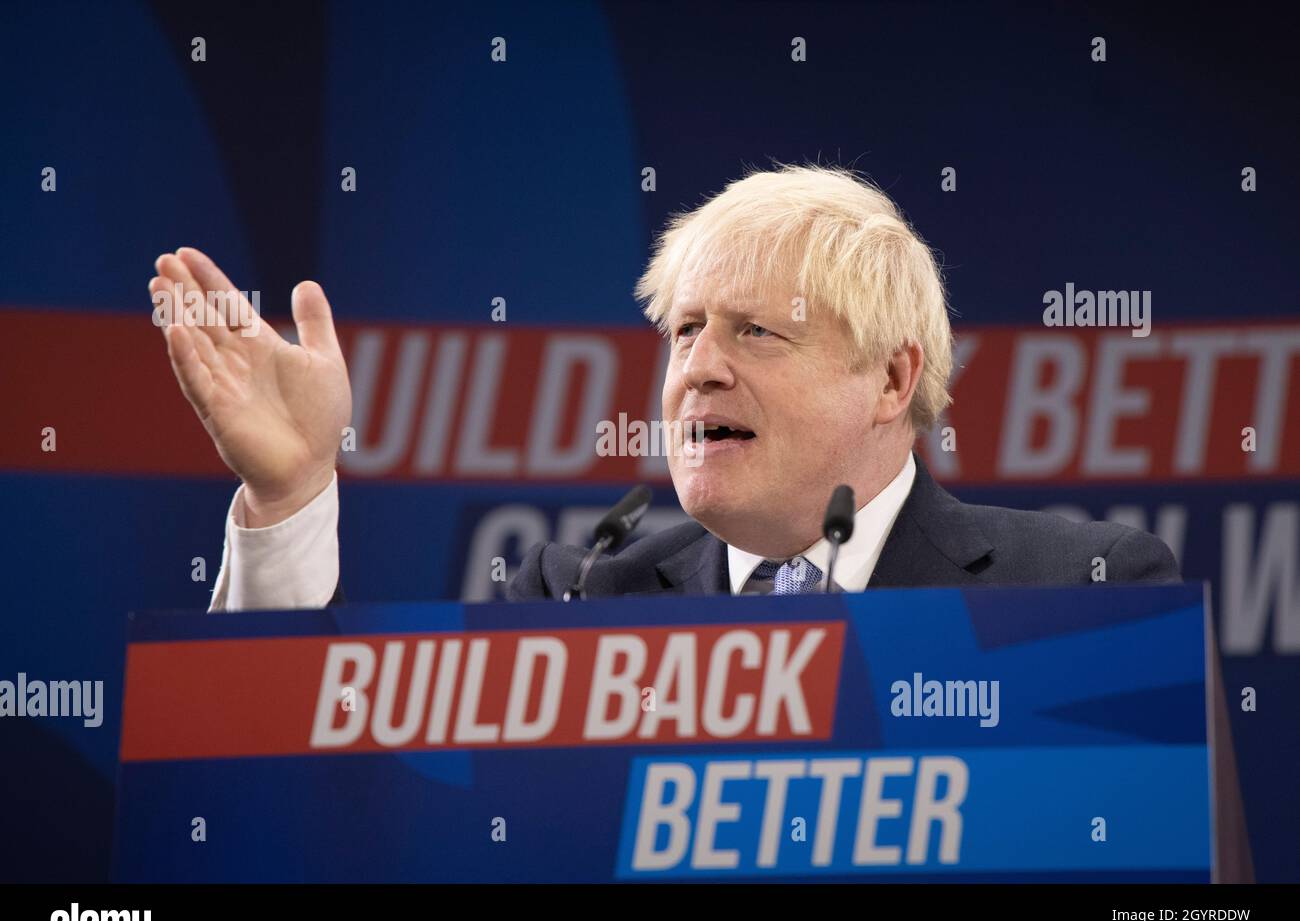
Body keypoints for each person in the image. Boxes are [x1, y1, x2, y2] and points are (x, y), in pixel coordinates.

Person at [147, 164, 1179, 610]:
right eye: (684, 330)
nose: (697, 367)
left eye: (754, 332)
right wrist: (289, 497)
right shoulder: (578, 598)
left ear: (891, 378)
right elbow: (340, 802)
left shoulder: (1075, 590)